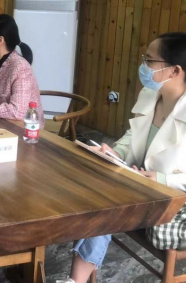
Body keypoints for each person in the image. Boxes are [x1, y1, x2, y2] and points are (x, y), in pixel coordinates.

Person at [57, 32, 186, 283]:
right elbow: (133, 135)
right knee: (97, 189)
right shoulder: (150, 95)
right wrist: (116, 153)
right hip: (142, 184)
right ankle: (75, 280)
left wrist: (161, 179)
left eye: (150, 61)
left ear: (174, 71)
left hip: (174, 199)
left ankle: (75, 280)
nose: (143, 66)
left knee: (106, 203)